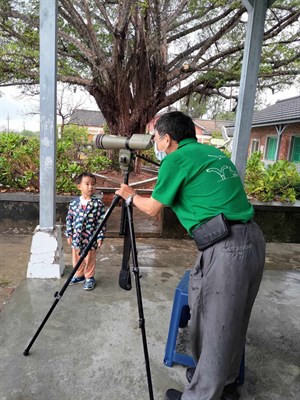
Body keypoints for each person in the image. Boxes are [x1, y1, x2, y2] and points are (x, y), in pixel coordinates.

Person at [116, 111, 266, 400]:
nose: (155, 145)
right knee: (232, 321)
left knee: (215, 327)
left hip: (227, 247)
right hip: (251, 240)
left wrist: (129, 196)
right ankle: (225, 384)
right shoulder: (211, 153)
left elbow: (152, 209)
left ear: (168, 138)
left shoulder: (175, 158)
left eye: (156, 138)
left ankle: (201, 395)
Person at [65, 172, 106, 291]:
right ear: (79, 186)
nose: (90, 187)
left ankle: (89, 277)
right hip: (77, 236)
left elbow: (101, 222)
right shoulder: (74, 203)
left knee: (89, 257)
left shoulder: (98, 204)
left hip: (91, 237)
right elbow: (69, 219)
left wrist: (100, 237)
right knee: (76, 256)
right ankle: (79, 275)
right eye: (87, 184)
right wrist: (69, 233)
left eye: (93, 184)